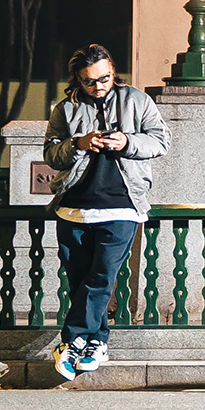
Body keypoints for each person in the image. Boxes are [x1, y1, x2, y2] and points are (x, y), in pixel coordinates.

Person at [41, 44, 169, 380]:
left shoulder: (137, 100)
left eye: (105, 78)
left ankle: (71, 341)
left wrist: (127, 142)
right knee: (81, 281)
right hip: (73, 206)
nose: (98, 86)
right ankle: (97, 341)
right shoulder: (64, 110)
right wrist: (79, 144)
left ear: (113, 70)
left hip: (123, 205)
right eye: (89, 82)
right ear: (78, 80)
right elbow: (52, 155)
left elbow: (161, 141)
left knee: (102, 278)